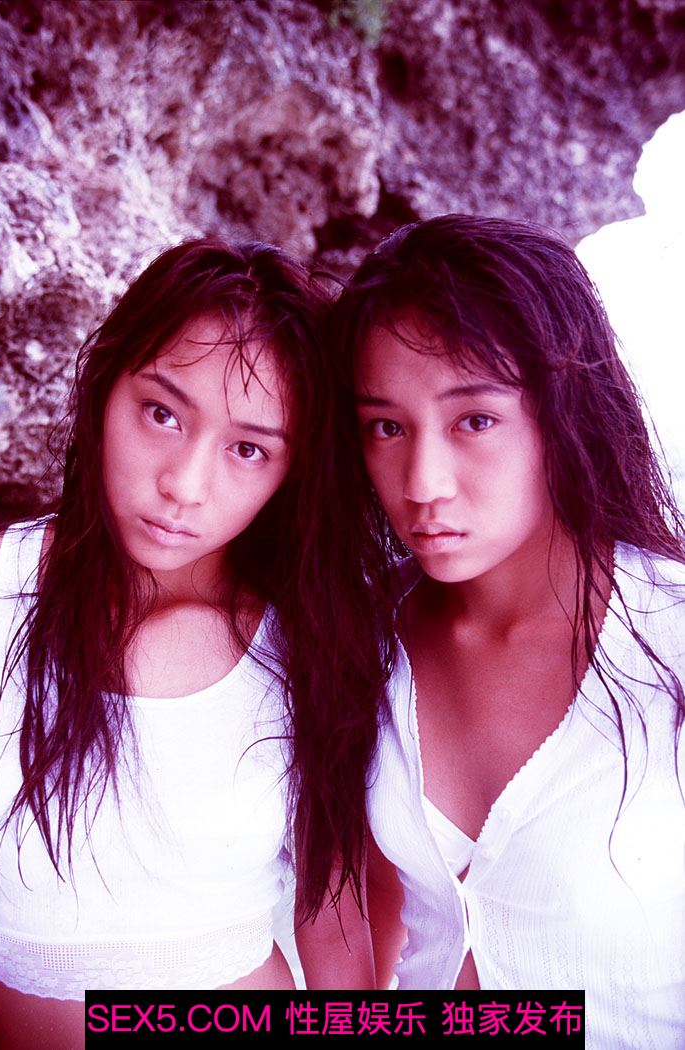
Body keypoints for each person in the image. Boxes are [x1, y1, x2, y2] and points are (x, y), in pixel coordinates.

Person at [0, 238, 382, 1049]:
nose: (184, 485)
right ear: (106, 386)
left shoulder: (308, 640)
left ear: (289, 472)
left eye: (247, 449)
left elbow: (333, 916)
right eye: (161, 413)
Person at [332, 214, 685, 1047]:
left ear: (564, 415)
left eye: (474, 420)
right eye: (386, 427)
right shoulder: (360, 638)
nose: (422, 484)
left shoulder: (668, 640)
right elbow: (372, 914)